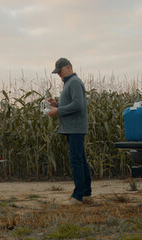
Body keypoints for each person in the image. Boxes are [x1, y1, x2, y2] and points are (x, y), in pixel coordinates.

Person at [45, 57, 91, 205]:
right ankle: (86, 193)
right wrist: (56, 104)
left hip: (75, 128)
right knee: (81, 160)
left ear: (69, 67)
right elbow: (71, 104)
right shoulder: (69, 83)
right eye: (57, 72)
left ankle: (77, 196)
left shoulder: (75, 82)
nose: (59, 74)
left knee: (76, 160)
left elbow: (78, 105)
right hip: (72, 128)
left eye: (60, 71)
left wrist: (57, 110)